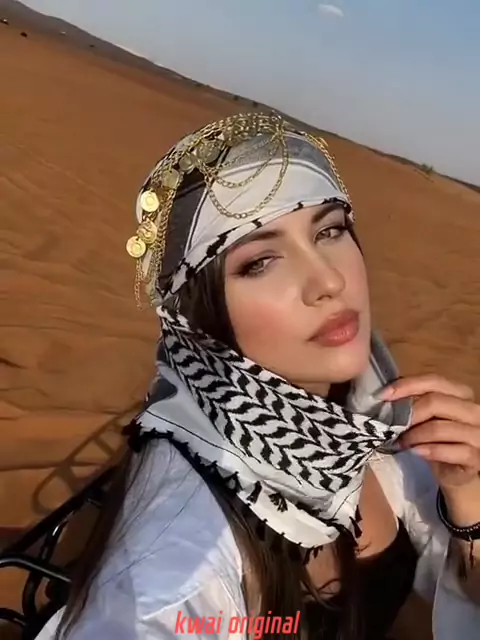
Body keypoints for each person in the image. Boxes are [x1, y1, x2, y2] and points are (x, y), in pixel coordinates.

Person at [36, 112, 480, 640]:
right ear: (200, 316)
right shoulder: (174, 568)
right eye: (261, 262)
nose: (328, 280)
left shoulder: (369, 423)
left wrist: (467, 498)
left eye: (330, 230)